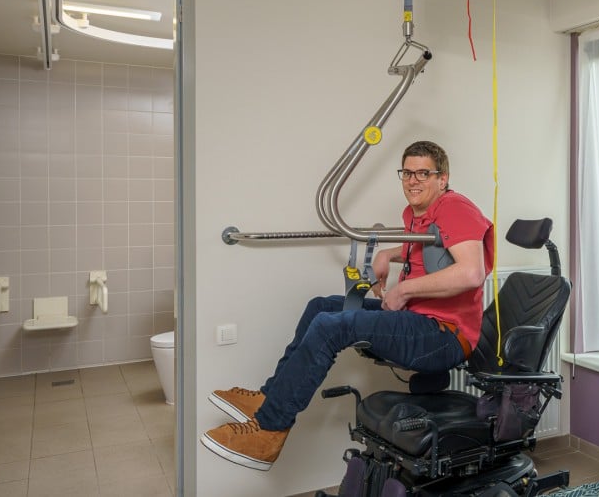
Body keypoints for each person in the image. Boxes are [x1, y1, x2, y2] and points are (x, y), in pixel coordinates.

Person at [201, 140, 495, 471]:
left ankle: (269, 429)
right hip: (419, 321)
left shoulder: (455, 207)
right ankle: (270, 397)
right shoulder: (417, 213)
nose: (413, 180)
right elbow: (438, 248)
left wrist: (405, 289)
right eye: (407, 173)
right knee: (321, 306)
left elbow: (471, 272)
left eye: (423, 173)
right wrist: (390, 253)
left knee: (332, 325)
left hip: (445, 335)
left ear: (443, 178)